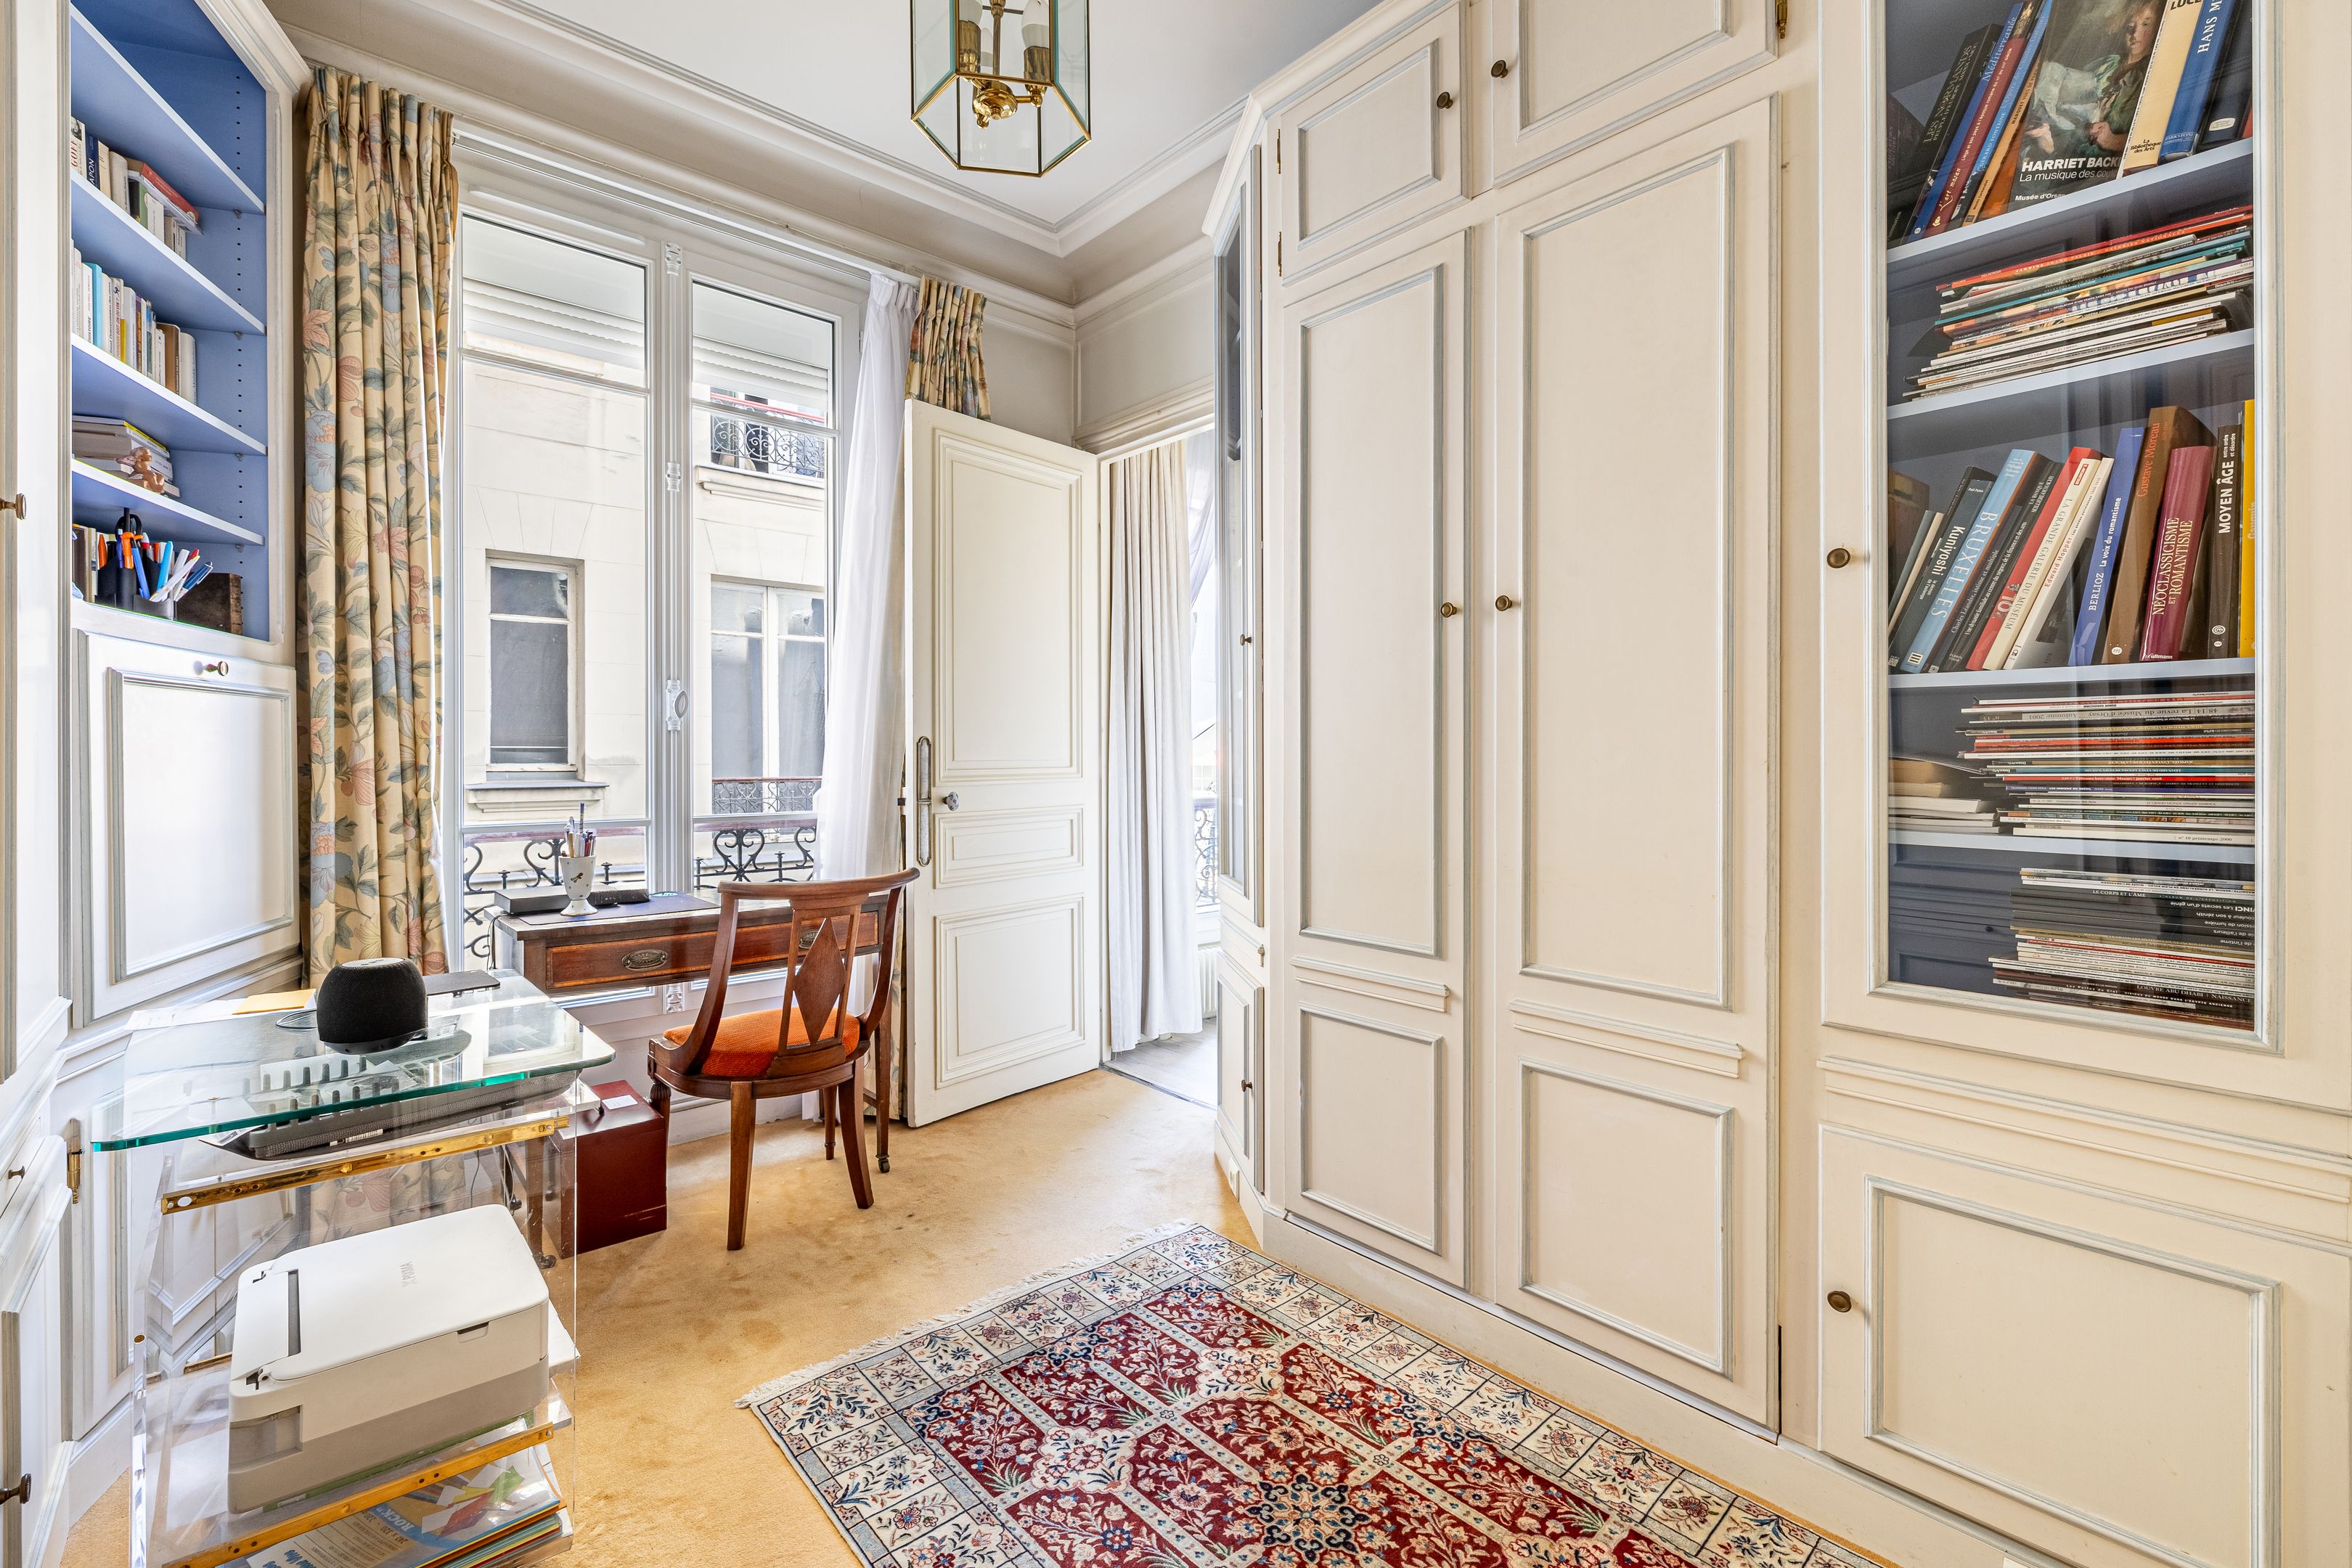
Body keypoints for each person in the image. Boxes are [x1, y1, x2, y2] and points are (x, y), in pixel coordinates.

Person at [2026, 0, 2161, 160]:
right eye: (2130, 26)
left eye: (2146, 24)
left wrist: (2113, 141)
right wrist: (2047, 138)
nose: (2135, 34)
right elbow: (2071, 110)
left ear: (2156, 28)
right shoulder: (2106, 64)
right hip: (2071, 156)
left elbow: (2156, 135)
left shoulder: (2155, 71)